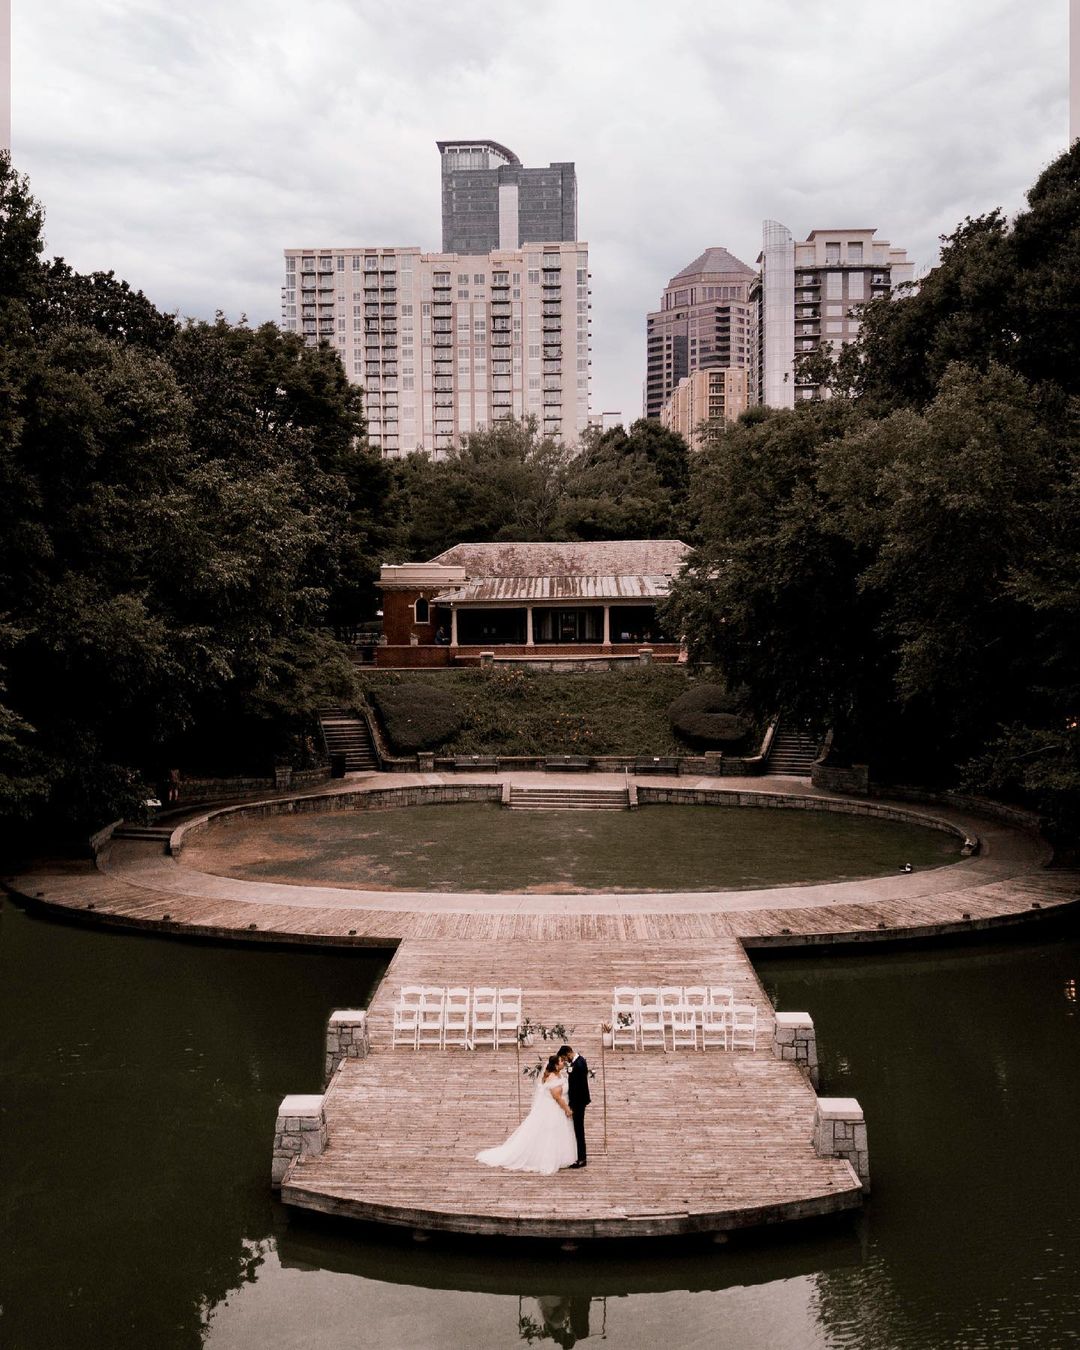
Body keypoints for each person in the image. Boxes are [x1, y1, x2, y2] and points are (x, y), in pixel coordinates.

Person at [475, 1053, 577, 1175]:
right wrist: (567, 1110)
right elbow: (558, 1098)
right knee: (550, 1133)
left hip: (553, 1108)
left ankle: (560, 1156)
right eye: (561, 1061)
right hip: (553, 1110)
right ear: (555, 1066)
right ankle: (547, 1158)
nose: (563, 1063)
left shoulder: (557, 1074)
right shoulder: (553, 1079)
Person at [558, 1044, 591, 1168]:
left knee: (579, 1129)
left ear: (568, 1053)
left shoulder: (579, 1064)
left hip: (578, 1102)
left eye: (565, 1058)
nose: (565, 1060)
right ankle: (580, 1156)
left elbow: (578, 1087)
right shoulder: (579, 1061)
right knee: (578, 1129)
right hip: (579, 1100)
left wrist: (571, 1105)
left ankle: (582, 1159)